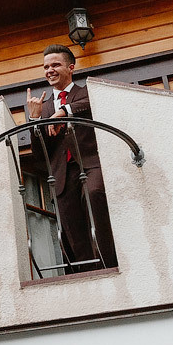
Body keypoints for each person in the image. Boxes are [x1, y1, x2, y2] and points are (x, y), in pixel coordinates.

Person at [24, 44, 118, 271]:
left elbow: (90, 103)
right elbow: (40, 153)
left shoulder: (86, 92)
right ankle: (87, 272)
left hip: (90, 163)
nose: (49, 70)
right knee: (71, 225)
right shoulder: (44, 107)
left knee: (96, 196)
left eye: (55, 64)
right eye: (46, 66)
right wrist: (35, 120)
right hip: (62, 173)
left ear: (71, 67)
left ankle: (112, 263)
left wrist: (64, 111)